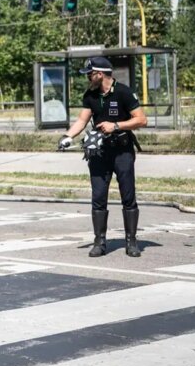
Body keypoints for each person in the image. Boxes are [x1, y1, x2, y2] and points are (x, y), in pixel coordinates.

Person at [58, 57, 148, 258]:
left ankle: (131, 242)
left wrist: (115, 126)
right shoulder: (90, 95)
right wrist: (67, 137)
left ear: (100, 74)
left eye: (89, 74)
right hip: (99, 153)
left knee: (128, 196)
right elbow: (82, 120)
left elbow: (142, 120)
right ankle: (99, 242)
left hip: (122, 152)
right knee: (98, 197)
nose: (87, 78)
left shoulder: (123, 92)